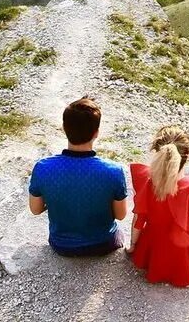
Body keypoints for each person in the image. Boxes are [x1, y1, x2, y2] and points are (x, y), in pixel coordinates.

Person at [27, 97, 129, 256]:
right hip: (104, 243)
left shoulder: (43, 168)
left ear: (64, 128)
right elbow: (121, 215)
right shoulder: (114, 170)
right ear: (96, 133)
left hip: (61, 245)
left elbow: (36, 209)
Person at [128, 126, 189, 286]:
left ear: (157, 151)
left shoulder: (146, 182)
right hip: (182, 255)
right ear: (188, 155)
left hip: (151, 250)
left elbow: (138, 218)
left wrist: (133, 246)